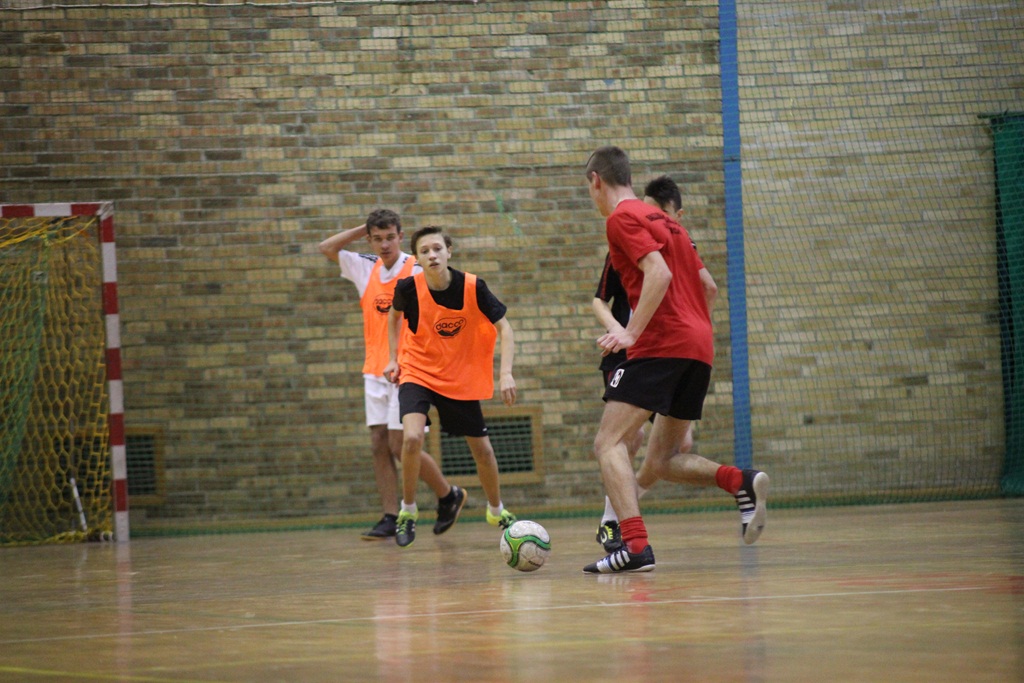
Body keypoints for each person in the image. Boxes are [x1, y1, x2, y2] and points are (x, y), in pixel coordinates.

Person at [583, 146, 769, 574]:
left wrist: (631, 332)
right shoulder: (672, 224)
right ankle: (739, 481)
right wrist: (689, 327)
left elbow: (659, 274)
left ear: (596, 180)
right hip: (699, 347)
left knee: (607, 443)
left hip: (661, 346)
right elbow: (709, 289)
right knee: (661, 461)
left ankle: (634, 545)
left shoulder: (621, 218)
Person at [318, 210, 467, 541]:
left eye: (390, 237)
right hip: (375, 369)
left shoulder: (416, 266)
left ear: (401, 236)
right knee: (378, 444)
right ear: (370, 239)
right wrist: (363, 228)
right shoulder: (365, 267)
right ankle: (389, 515)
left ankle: (446, 494)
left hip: (410, 369)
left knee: (402, 445)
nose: (384, 244)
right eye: (377, 238)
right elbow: (326, 247)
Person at [592, 175, 719, 554]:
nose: (652, 216)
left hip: (664, 346)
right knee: (625, 438)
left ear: (676, 216)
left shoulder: (676, 243)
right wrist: (621, 330)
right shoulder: (626, 236)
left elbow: (705, 288)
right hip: (631, 347)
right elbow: (599, 299)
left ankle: (625, 520)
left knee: (674, 445)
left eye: (659, 212)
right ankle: (614, 522)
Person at [383, 226, 518, 548]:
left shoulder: (473, 286)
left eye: (437, 249)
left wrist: (506, 374)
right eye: (425, 251)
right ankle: (408, 511)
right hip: (419, 371)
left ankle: (496, 511)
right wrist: (392, 358)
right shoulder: (409, 288)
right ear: (417, 258)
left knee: (482, 451)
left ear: (449, 252)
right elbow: (393, 317)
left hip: (460, 376)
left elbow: (506, 328)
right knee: (412, 437)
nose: (432, 255)